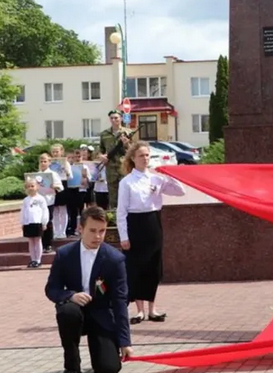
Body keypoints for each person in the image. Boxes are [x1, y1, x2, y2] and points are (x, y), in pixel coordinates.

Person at [45, 206, 133, 373]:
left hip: (101, 315)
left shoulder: (115, 259)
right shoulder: (64, 254)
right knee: (67, 311)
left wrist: (124, 342)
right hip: (74, 313)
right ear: (80, 228)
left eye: (102, 231)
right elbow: (52, 288)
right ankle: (72, 364)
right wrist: (71, 296)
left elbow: (120, 301)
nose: (98, 236)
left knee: (109, 368)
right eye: (92, 230)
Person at [117, 142, 186, 324]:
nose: (145, 159)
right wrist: (124, 236)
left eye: (147, 155)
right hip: (135, 224)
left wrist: (169, 175)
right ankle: (139, 310)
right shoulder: (127, 182)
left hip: (153, 223)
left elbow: (180, 191)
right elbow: (121, 211)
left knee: (153, 267)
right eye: (141, 155)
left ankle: (152, 309)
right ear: (133, 158)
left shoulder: (156, 178)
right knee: (136, 267)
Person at [99, 111, 133, 208]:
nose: (114, 120)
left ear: (121, 118)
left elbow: (134, 150)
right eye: (112, 118)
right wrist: (101, 156)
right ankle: (114, 216)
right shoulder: (104, 134)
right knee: (113, 194)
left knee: (126, 192)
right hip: (110, 167)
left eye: (116, 118)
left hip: (124, 166)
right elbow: (100, 150)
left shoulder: (128, 132)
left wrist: (127, 144)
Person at [35, 152, 63, 254]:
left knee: (48, 222)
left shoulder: (53, 174)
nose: (43, 163)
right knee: (39, 222)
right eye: (41, 161)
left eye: (45, 161)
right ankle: (40, 244)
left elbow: (60, 187)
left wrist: (54, 186)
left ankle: (48, 244)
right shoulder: (36, 175)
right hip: (38, 201)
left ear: (49, 162)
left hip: (49, 200)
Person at [20, 176, 49, 268]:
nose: (30, 188)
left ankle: (38, 259)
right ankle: (33, 259)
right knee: (31, 241)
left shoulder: (41, 199)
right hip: (28, 223)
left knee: (37, 240)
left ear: (37, 187)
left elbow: (45, 210)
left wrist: (44, 222)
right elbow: (23, 212)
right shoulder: (25, 200)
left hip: (37, 222)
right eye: (28, 186)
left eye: (32, 186)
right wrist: (23, 222)